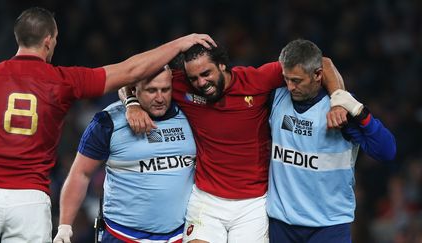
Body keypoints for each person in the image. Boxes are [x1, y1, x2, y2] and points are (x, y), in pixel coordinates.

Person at [0, 6, 215, 243]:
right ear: (48, 41)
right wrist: (180, 44)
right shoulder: (62, 81)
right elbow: (130, 71)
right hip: (30, 201)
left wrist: (131, 102)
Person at [121, 43, 345, 243]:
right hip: (206, 200)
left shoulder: (256, 80)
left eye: (206, 73)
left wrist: (338, 101)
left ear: (221, 65)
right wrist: (131, 103)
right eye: (194, 78)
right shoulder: (180, 85)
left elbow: (323, 63)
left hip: (253, 204)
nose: (201, 83)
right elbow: (128, 76)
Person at [267, 39, 396, 242]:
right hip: (282, 226)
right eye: (287, 79)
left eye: (297, 81)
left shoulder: (340, 110)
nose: (290, 87)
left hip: (328, 227)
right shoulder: (276, 97)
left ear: (318, 75)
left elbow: (387, 151)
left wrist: (357, 110)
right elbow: (326, 62)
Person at [53, 66, 196, 243]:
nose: (160, 98)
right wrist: (65, 227)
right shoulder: (108, 121)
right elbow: (81, 173)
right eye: (151, 90)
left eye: (165, 90)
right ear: (134, 90)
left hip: (180, 235)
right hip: (122, 235)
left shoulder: (192, 115)